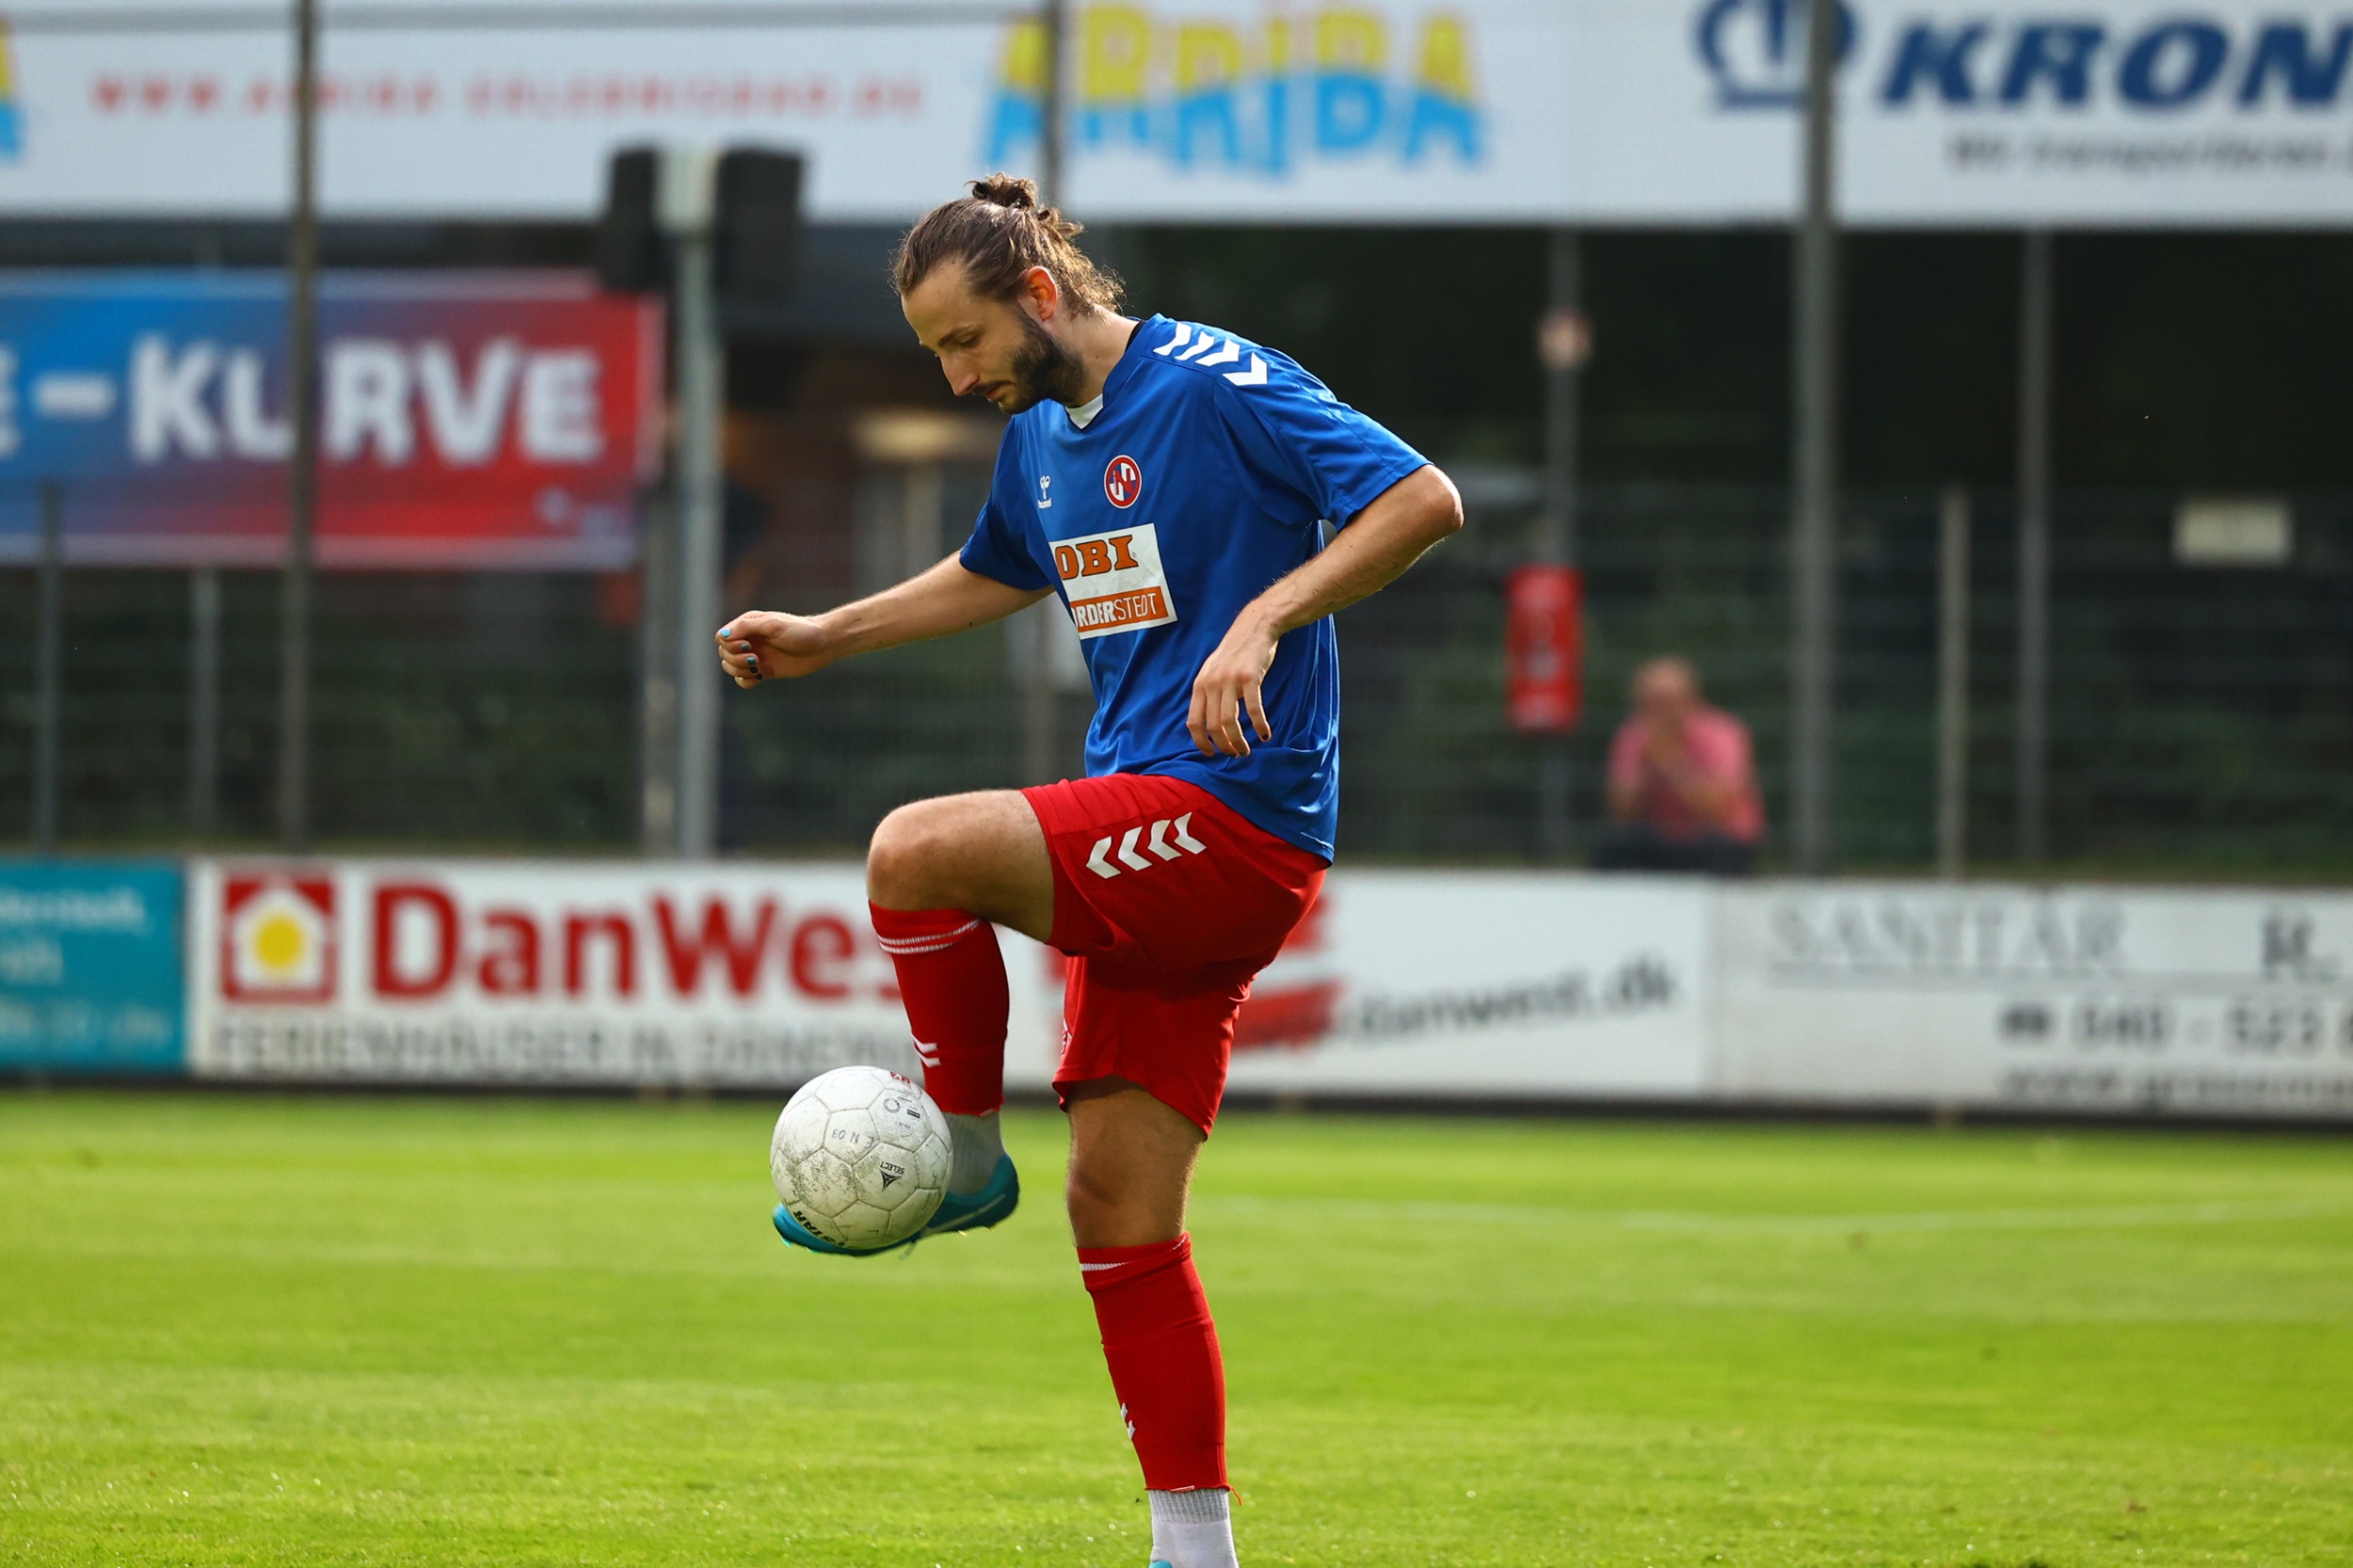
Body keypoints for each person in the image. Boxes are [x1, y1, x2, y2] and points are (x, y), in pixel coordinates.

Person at [713, 174, 1460, 1568]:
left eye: (964, 341)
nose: (953, 375)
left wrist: (1262, 620)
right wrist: (831, 630)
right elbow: (998, 567)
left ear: (1039, 296)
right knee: (1119, 1217)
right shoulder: (1044, 440)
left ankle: (965, 1152)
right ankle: (1196, 1551)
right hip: (1154, 832)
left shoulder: (1218, 381)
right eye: (935, 352)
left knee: (915, 851)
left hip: (1233, 813)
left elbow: (1422, 497)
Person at [1593, 655, 1763, 875]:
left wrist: (1670, 762)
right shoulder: (1633, 735)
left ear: (1690, 700)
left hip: (1715, 839)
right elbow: (1620, 812)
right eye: (1648, 703)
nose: (1658, 712)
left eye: (1665, 702)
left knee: (1718, 847)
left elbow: (1717, 808)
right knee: (1613, 845)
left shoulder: (1723, 733)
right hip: (1658, 838)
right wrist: (1643, 769)